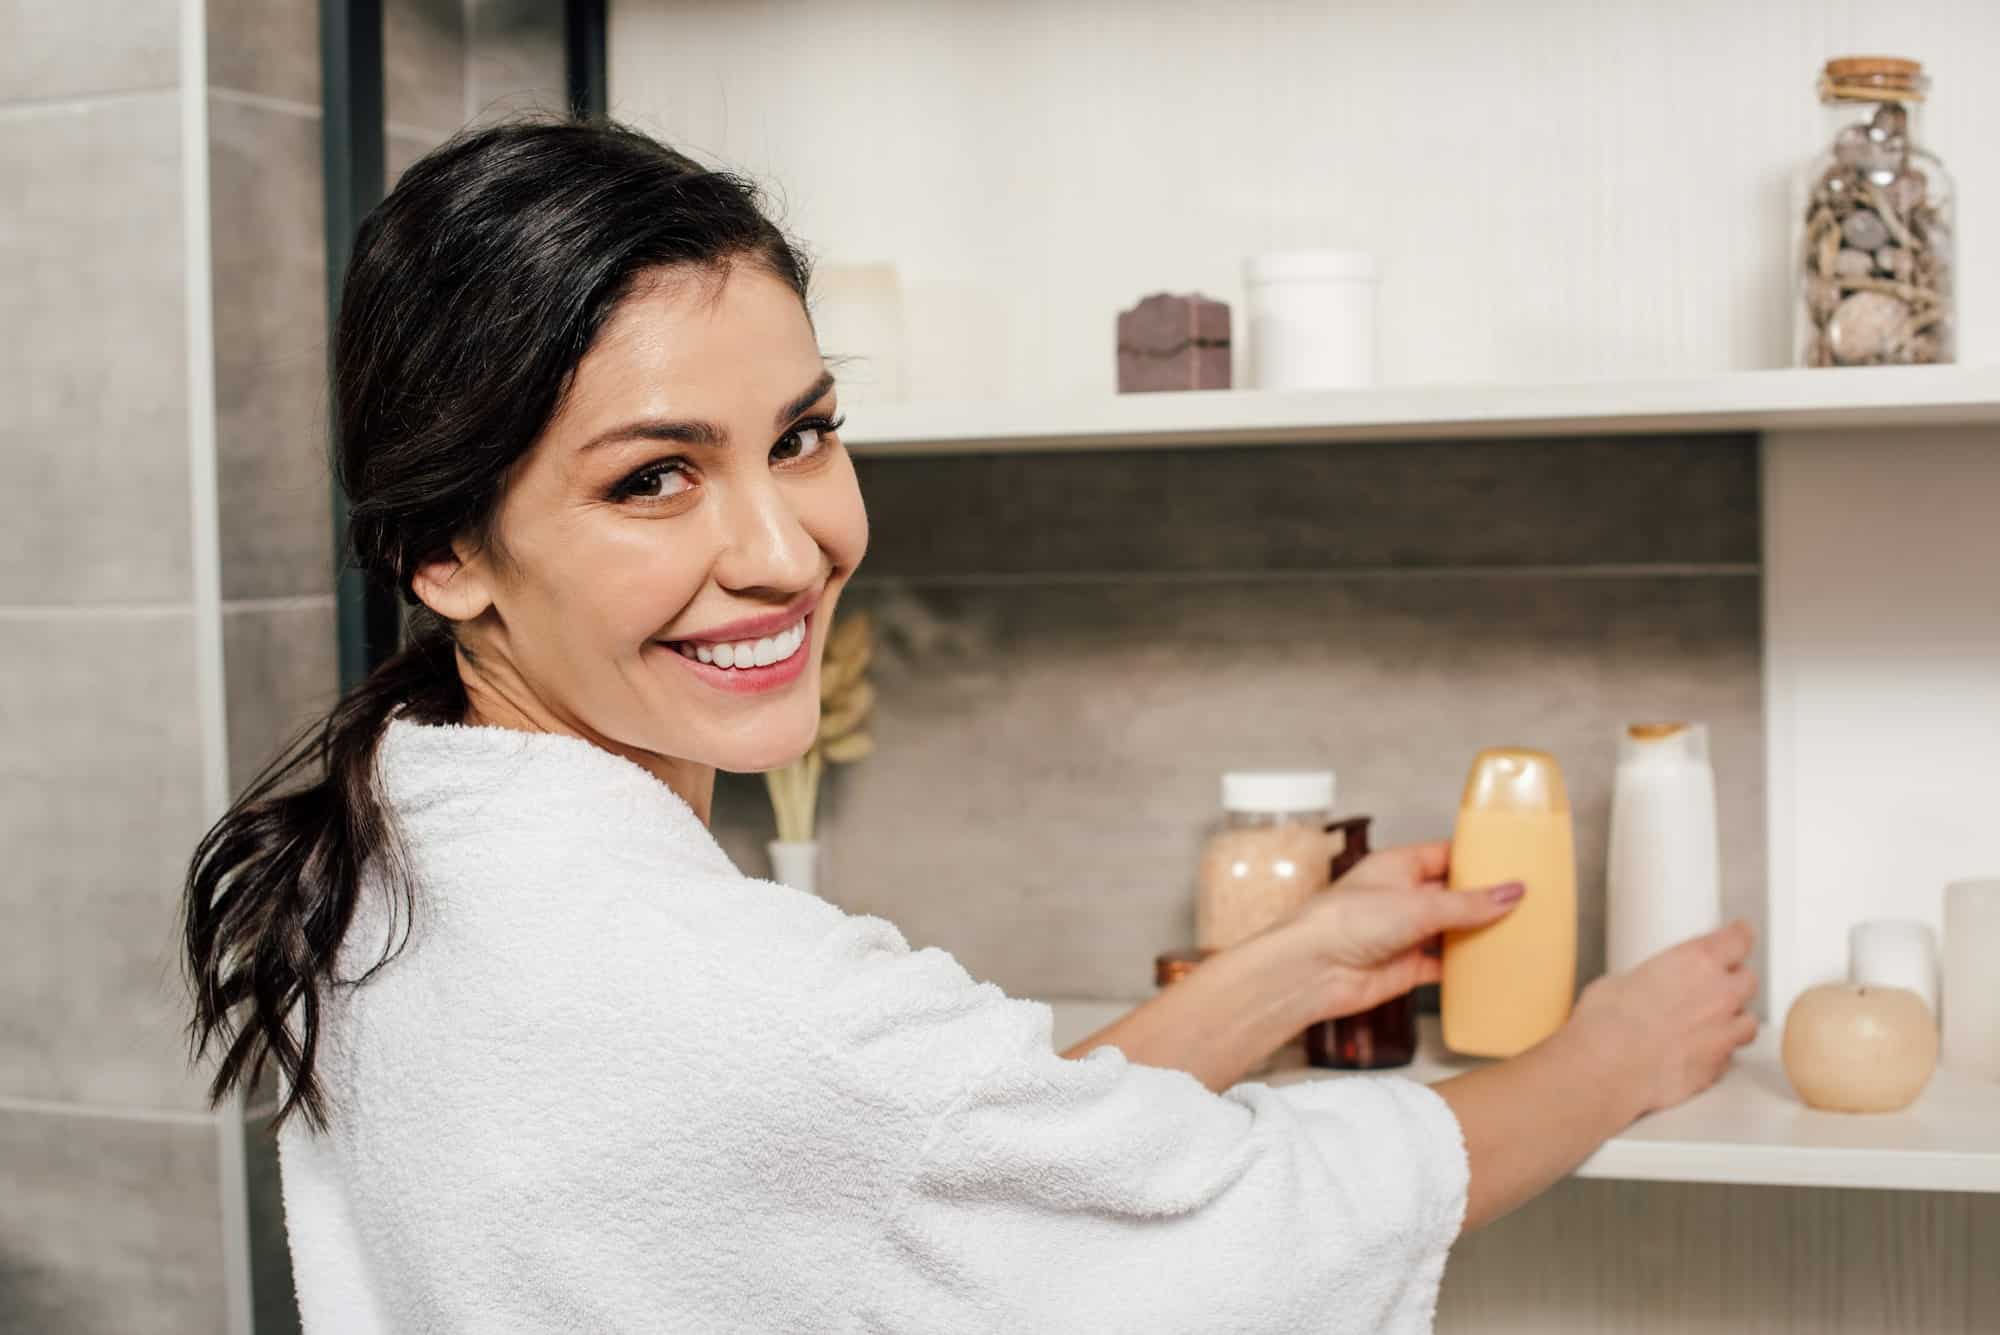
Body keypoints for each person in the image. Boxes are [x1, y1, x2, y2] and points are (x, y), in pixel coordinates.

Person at [182, 119, 1758, 1335]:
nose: (786, 552)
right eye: (654, 476)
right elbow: (1251, 1216)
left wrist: (1288, 971)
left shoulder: (409, 854)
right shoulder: (722, 992)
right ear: (444, 550)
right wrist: (1615, 1057)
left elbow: (928, 1158)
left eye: (801, 437)